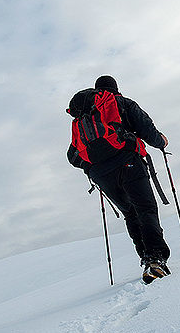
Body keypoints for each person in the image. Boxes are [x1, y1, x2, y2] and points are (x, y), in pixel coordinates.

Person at [66, 75, 172, 284]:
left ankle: (146, 258)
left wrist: (91, 166)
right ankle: (155, 260)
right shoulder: (122, 104)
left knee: (130, 213)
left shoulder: (82, 117)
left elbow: (72, 156)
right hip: (128, 162)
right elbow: (147, 130)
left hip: (101, 175)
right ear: (115, 89)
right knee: (145, 209)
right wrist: (162, 142)